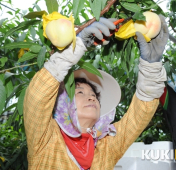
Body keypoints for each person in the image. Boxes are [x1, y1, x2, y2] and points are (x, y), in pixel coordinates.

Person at [23, 15, 168, 170]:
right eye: (80, 92)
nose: (91, 97)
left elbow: (137, 118)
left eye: (94, 95)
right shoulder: (46, 139)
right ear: (63, 105)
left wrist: (151, 68)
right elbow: (36, 99)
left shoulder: (106, 146)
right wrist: (74, 48)